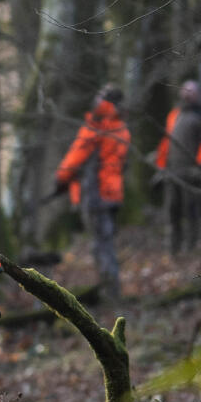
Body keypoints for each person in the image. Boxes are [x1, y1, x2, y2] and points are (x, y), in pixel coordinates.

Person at [55, 87, 129, 300]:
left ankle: (110, 291)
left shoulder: (97, 126)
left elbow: (76, 156)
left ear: (105, 102)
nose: (94, 100)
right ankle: (112, 288)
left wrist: (60, 180)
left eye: (99, 97)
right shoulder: (121, 127)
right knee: (106, 242)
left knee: (101, 245)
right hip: (112, 195)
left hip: (95, 195)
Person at [155, 79, 201, 254]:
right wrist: (160, 166)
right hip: (172, 172)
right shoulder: (174, 115)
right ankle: (173, 249)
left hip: (192, 173)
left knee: (191, 210)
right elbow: (166, 142)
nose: (187, 93)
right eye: (185, 90)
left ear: (198, 94)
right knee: (172, 210)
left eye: (191, 90)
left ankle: (192, 247)